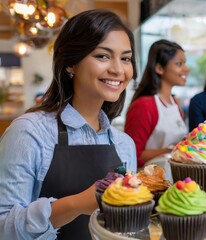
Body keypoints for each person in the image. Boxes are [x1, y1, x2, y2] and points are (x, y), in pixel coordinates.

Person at [0, 9, 137, 240]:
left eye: (125, 58)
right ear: (70, 64)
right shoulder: (29, 132)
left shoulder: (124, 144)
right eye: (103, 56)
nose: (118, 69)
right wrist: (75, 205)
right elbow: (4, 229)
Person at [124, 40, 189, 175]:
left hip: (175, 179)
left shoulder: (174, 103)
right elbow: (132, 155)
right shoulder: (144, 106)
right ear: (159, 68)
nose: (186, 69)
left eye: (185, 63)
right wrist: (172, 150)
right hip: (151, 182)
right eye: (179, 64)